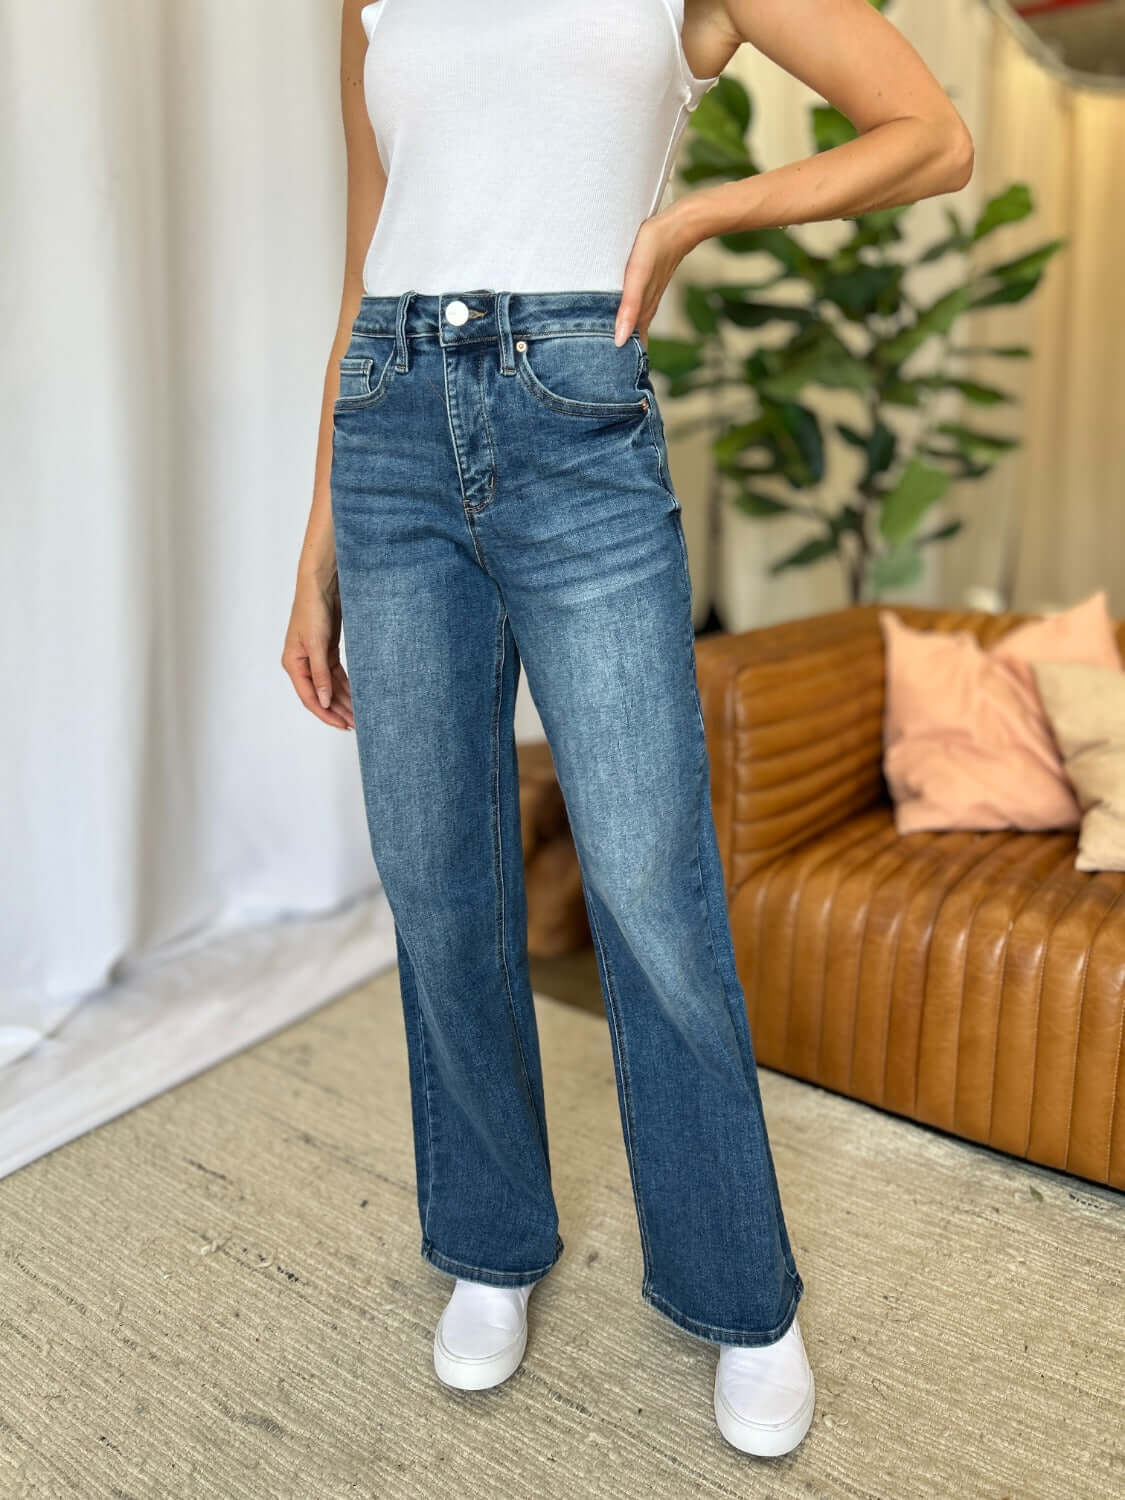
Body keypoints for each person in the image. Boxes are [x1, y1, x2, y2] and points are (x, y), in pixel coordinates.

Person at [282, 0, 972, 1460]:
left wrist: (693, 219)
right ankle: (487, 1239)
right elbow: (369, 256)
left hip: (571, 412)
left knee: (650, 886)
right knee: (432, 874)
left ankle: (739, 1295)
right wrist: (316, 546)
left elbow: (930, 134)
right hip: (389, 425)